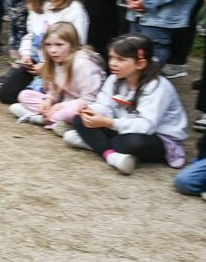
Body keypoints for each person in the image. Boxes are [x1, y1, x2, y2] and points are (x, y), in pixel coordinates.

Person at [64, 34, 188, 175]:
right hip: (123, 126)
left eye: (120, 59)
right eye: (111, 57)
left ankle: (94, 143)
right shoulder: (115, 79)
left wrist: (108, 122)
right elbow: (104, 105)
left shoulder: (158, 87)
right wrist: (90, 110)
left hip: (157, 137)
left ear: (140, 64)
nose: (113, 63)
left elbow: (146, 126)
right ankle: (110, 154)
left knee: (133, 142)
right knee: (79, 119)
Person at [0, 0, 89, 104]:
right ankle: (35, 98)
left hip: (62, 66)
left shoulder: (75, 10)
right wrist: (26, 54)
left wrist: (47, 67)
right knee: (6, 94)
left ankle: (46, 103)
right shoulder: (38, 6)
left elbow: (78, 46)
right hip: (36, 61)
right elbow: (31, 35)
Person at [8, 21, 104, 134]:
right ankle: (53, 120)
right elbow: (54, 90)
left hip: (85, 105)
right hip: (65, 101)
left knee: (68, 113)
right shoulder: (55, 60)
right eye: (48, 45)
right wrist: (49, 100)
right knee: (24, 95)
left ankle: (40, 118)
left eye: (59, 45)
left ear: (72, 45)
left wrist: (60, 106)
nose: (52, 50)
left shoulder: (82, 63)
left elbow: (90, 99)